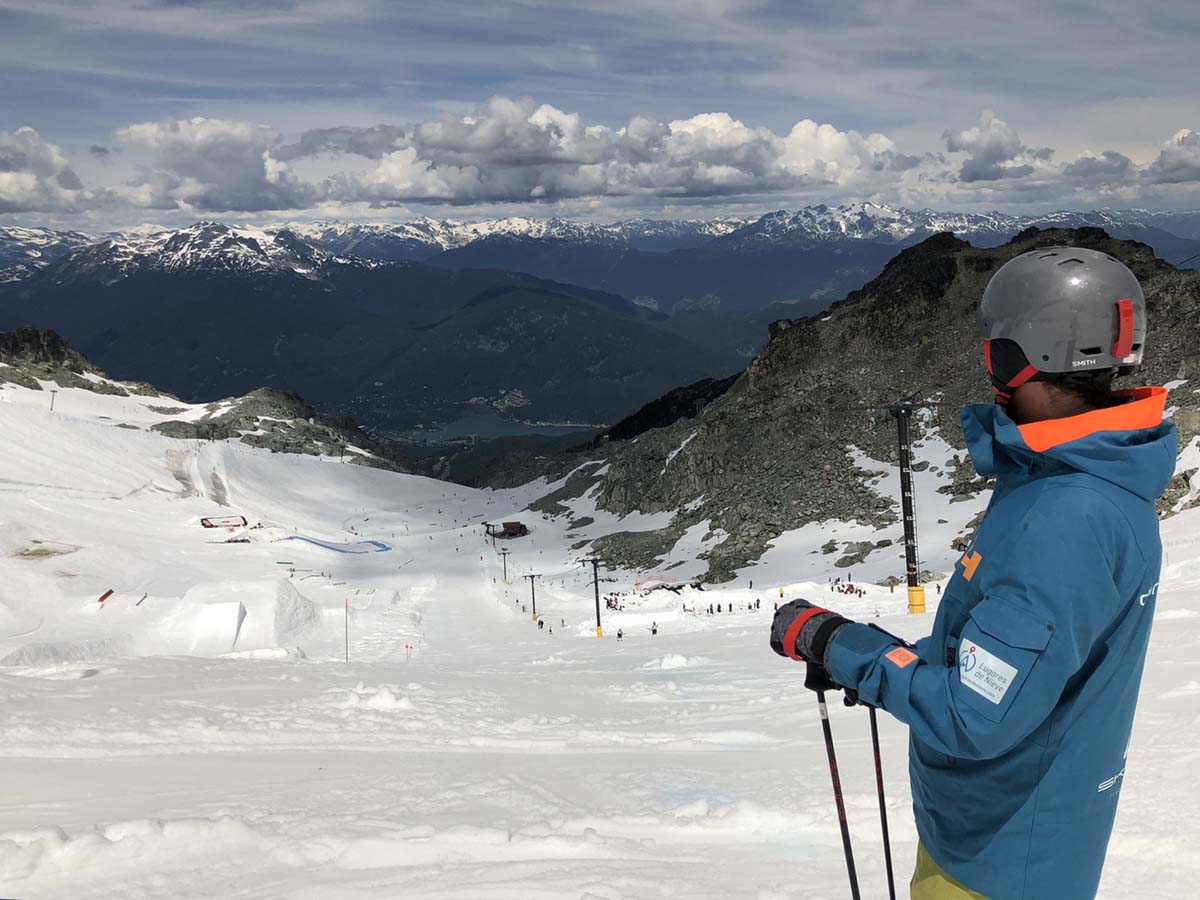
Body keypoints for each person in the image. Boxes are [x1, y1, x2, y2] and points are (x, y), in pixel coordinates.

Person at [769, 248, 1174, 900]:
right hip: (1018, 840)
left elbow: (972, 716)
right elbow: (1001, 664)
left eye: (994, 353)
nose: (989, 371)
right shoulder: (1091, 481)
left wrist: (842, 648)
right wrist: (874, 657)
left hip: (996, 863)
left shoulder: (1065, 519)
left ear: (1023, 359)